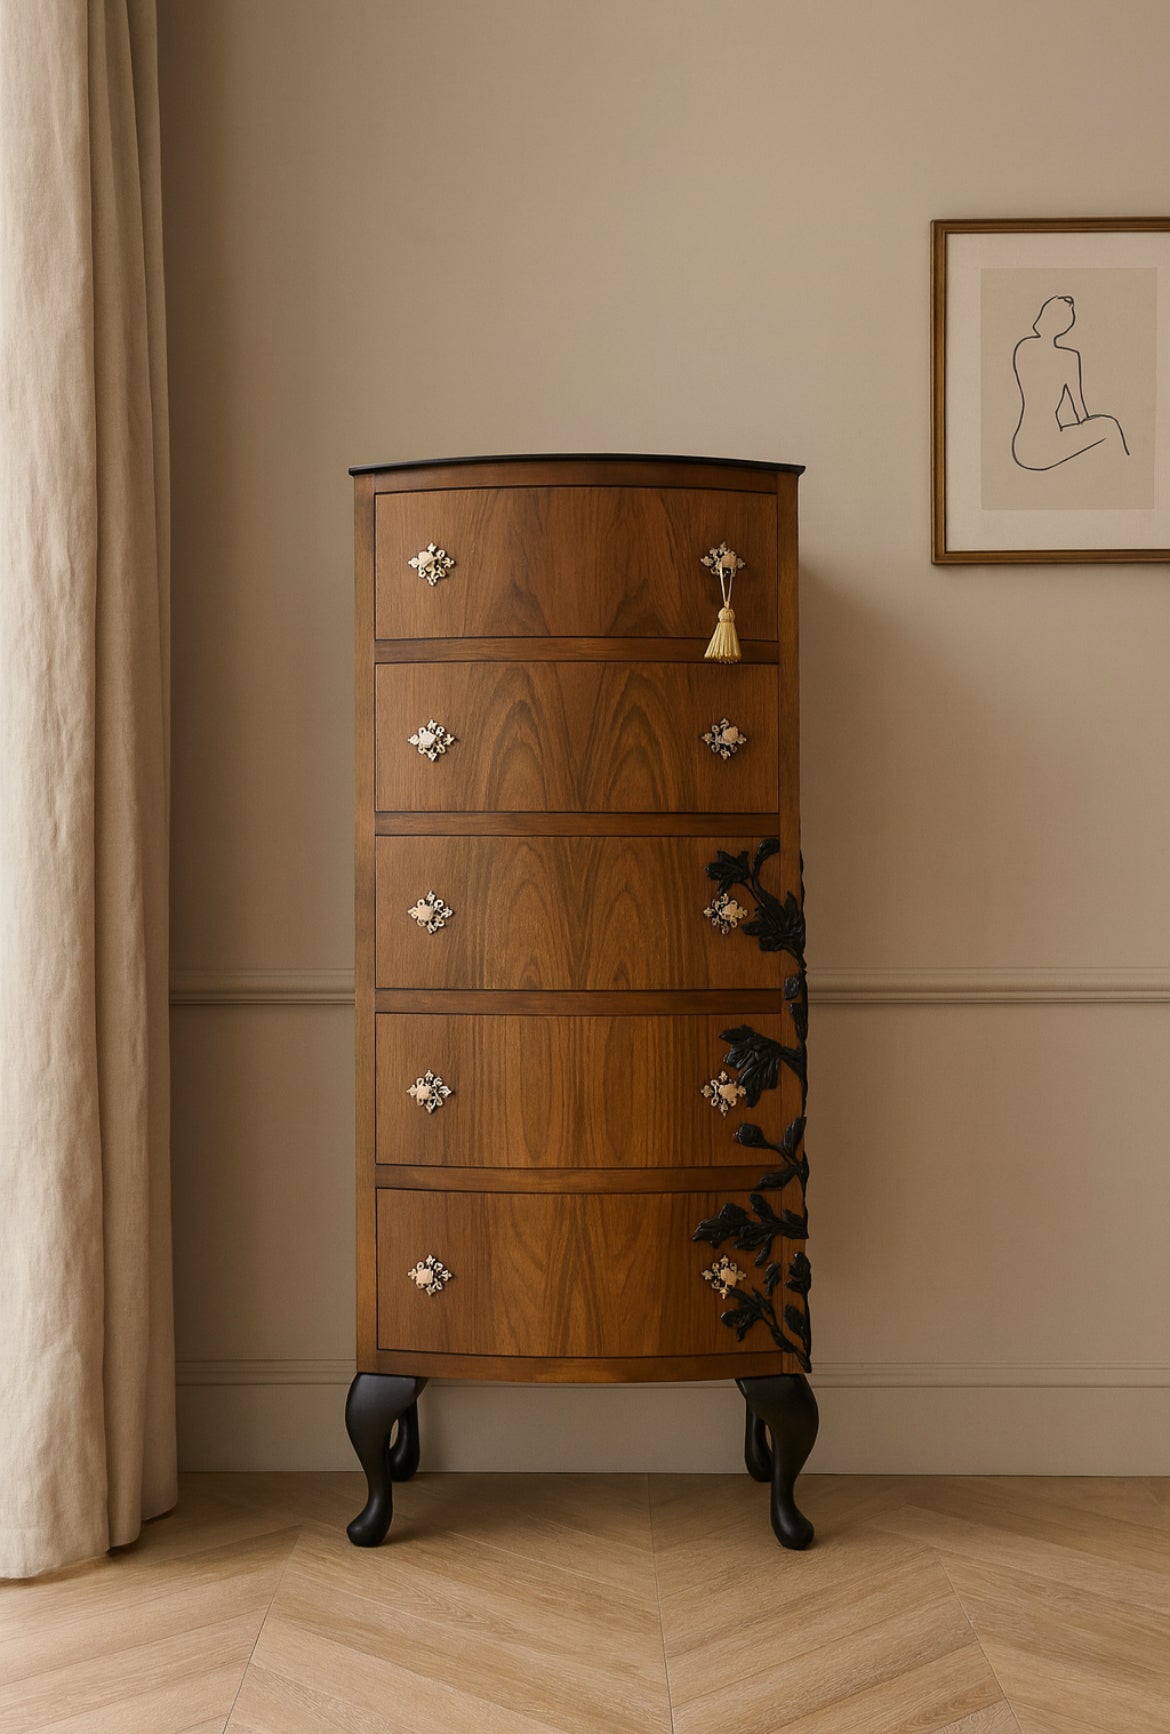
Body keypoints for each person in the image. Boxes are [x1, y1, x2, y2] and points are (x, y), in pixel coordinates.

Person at [1011, 295, 1129, 470]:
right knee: (1109, 426)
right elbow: (1080, 413)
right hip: (1046, 446)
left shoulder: (1023, 347)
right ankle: (1123, 474)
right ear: (1066, 324)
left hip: (1021, 447)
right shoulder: (1069, 358)